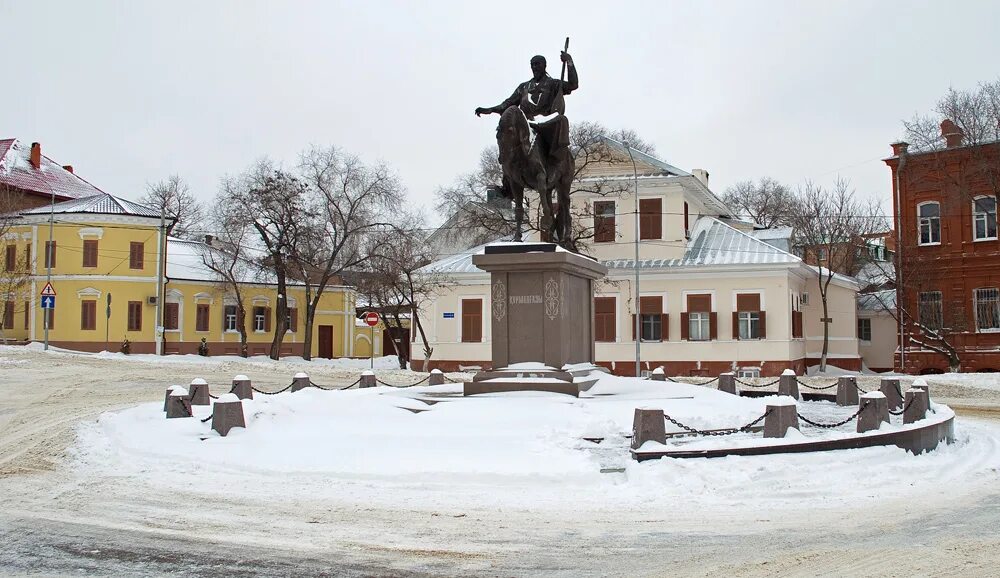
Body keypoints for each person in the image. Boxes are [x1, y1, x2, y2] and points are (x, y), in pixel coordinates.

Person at [475, 52, 578, 179]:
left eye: (537, 64)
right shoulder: (524, 87)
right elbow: (508, 103)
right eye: (532, 65)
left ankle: (555, 161)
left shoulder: (554, 84)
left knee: (561, 120)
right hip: (527, 125)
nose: (535, 67)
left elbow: (573, 85)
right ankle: (508, 180)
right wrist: (491, 109)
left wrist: (569, 62)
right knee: (507, 139)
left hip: (546, 123)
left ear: (544, 65)